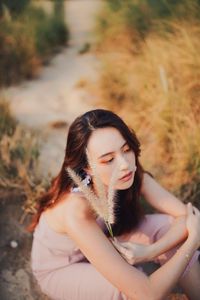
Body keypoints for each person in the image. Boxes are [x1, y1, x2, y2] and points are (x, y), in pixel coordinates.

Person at [29, 109, 200, 300]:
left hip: (106, 240)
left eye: (126, 150)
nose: (124, 164)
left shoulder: (129, 173)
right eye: (109, 160)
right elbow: (147, 294)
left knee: (170, 228)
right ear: (87, 168)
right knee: (126, 290)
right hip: (63, 267)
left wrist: (151, 251)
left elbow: (186, 216)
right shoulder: (75, 211)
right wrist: (192, 242)